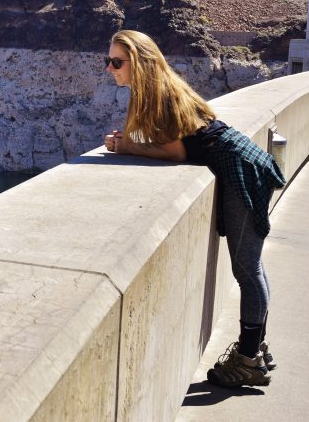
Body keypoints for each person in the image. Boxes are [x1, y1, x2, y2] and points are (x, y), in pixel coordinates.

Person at [103, 29, 285, 388]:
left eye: (116, 61)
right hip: (240, 163)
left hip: (239, 170)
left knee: (246, 269)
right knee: (251, 268)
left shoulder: (161, 95)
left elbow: (176, 153)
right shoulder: (155, 89)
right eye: (108, 60)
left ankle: (247, 359)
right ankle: (255, 349)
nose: (109, 68)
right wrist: (129, 143)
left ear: (138, 62)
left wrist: (127, 149)